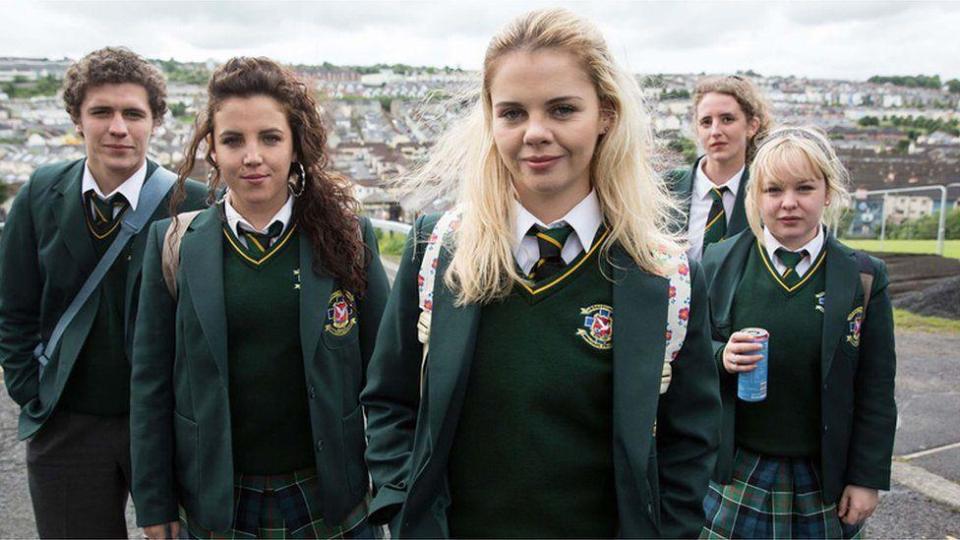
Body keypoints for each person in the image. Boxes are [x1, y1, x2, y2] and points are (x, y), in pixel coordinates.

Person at [361, 8, 721, 539]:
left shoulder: (665, 276)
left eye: (561, 109)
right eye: (511, 113)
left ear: (606, 115)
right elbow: (390, 400)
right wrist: (404, 505)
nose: (535, 133)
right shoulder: (438, 250)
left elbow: (689, 442)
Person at [129, 57, 389, 539]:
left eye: (270, 138)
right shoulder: (174, 245)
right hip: (218, 498)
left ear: (296, 146)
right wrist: (154, 500)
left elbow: (388, 374)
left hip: (330, 492)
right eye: (233, 140)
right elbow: (149, 387)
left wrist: (396, 484)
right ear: (212, 148)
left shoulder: (350, 238)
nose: (252, 156)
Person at [0, 47, 206, 538]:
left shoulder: (193, 205)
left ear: (155, 121)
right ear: (77, 119)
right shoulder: (40, 193)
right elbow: (13, 305)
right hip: (67, 422)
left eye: (133, 113)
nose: (118, 127)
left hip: (165, 424)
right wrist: (32, 390)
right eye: (101, 112)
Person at [699, 126, 896, 538]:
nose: (788, 203)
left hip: (823, 475)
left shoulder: (861, 276)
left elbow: (876, 387)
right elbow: (686, 356)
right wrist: (721, 356)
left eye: (804, 188)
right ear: (756, 197)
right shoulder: (719, 262)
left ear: (827, 193)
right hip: (737, 472)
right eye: (773, 190)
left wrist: (866, 478)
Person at [666, 75, 772, 262]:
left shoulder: (767, 195)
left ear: (752, 126)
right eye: (706, 122)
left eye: (727, 119)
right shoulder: (666, 188)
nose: (715, 131)